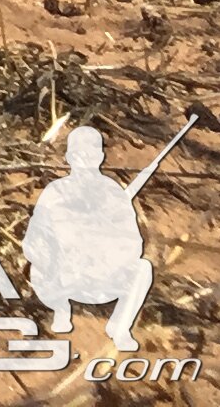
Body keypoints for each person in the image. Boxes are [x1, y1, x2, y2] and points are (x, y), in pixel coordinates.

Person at [24, 126, 155, 351]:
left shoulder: (113, 193)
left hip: (103, 278)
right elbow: (33, 239)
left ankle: (120, 328)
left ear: (100, 158)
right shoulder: (55, 191)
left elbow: (134, 243)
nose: (84, 161)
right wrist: (57, 258)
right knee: (36, 268)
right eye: (78, 155)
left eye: (91, 155)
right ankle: (61, 311)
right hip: (63, 278)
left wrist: (105, 259)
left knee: (143, 269)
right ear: (68, 158)